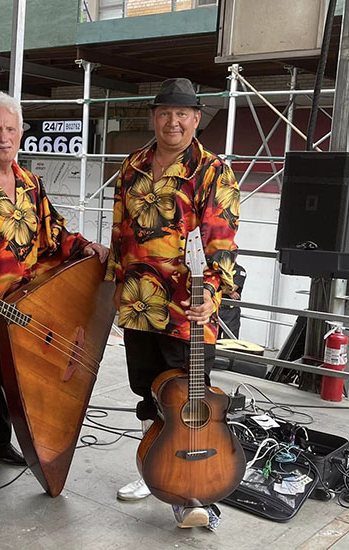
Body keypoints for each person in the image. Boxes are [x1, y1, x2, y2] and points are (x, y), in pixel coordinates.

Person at [0, 92, 108, 512]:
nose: (3, 136)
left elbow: (54, 231)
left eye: (11, 129)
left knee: (9, 377)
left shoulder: (30, 182)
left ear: (20, 134)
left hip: (23, 306)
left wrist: (86, 247)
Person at [106, 78, 240, 530]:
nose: (173, 121)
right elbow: (120, 232)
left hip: (189, 307)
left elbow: (220, 239)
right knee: (148, 391)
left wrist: (214, 294)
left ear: (196, 119)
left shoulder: (212, 170)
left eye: (182, 114)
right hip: (140, 302)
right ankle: (154, 470)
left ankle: (190, 491)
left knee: (188, 397)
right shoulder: (132, 166)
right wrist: (112, 289)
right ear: (153, 117)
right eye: (165, 113)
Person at [217, 263, 246, 340]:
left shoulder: (239, 270)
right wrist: (229, 291)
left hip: (230, 311)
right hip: (216, 308)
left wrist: (219, 288)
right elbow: (208, 286)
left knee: (230, 341)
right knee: (213, 339)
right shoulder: (217, 268)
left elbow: (232, 288)